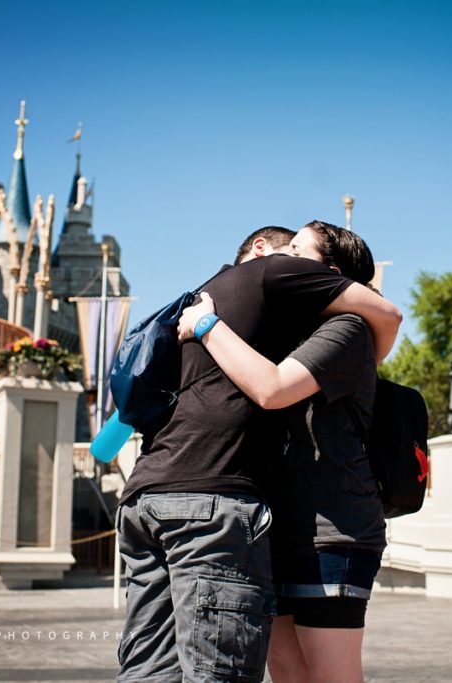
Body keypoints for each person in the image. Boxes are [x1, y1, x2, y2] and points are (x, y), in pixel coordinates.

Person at [115, 223, 402, 682]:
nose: (283, 258)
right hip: (275, 528)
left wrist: (209, 326)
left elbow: (271, 389)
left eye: (295, 251)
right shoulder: (282, 331)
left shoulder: (347, 329)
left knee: (330, 676)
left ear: (328, 275)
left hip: (331, 530)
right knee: (287, 672)